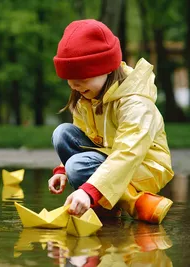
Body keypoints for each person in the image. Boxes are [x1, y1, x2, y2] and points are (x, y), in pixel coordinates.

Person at [48, 19, 174, 224]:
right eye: (69, 79)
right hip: (109, 157)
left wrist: (88, 191)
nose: (74, 85)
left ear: (107, 68)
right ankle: (105, 205)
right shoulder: (86, 96)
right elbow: (83, 135)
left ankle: (136, 202)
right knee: (63, 134)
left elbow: (128, 153)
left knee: (78, 167)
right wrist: (62, 170)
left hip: (143, 165)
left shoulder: (136, 104)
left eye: (82, 77)